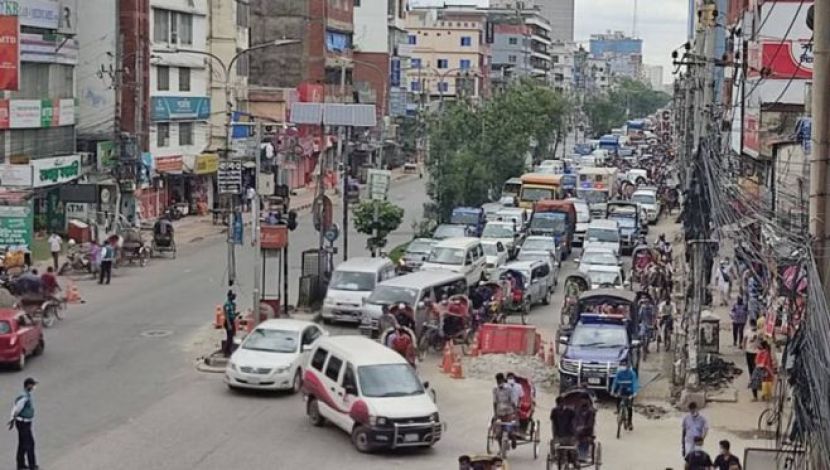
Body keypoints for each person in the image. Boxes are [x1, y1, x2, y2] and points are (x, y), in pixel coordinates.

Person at [8, 377, 38, 470]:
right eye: (32, 385)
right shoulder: (24, 397)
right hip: (23, 423)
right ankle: (32, 465)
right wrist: (12, 419)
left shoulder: (26, 395)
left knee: (22, 443)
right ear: (28, 385)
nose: (33, 387)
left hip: (24, 423)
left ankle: (20, 464)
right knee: (30, 444)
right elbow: (17, 409)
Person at [611, 358, 639, 430]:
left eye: (625, 365)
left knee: (629, 407)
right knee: (618, 400)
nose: (623, 367)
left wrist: (634, 392)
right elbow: (615, 382)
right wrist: (613, 391)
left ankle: (629, 422)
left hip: (629, 391)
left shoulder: (632, 373)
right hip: (621, 390)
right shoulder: (619, 373)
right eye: (622, 365)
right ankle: (619, 412)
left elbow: (634, 383)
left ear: (628, 366)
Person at [492, 373, 517, 449]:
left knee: (510, 430)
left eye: (499, 381)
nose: (498, 382)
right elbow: (495, 402)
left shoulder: (509, 388)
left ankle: (513, 439)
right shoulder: (495, 389)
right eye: (497, 381)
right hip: (499, 413)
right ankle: (501, 448)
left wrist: (514, 412)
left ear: (503, 380)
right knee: (498, 433)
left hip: (508, 412)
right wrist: (495, 413)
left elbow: (512, 401)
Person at [550, 396, 577, 463]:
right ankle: (555, 457)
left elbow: (574, 422)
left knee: (573, 450)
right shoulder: (554, 411)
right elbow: (553, 424)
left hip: (569, 435)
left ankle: (575, 461)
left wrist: (574, 434)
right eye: (559, 404)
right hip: (560, 435)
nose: (560, 405)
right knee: (556, 447)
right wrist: (554, 435)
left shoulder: (570, 411)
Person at [223, 290, 237, 357]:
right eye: (232, 295)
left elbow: (232, 314)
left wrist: (236, 314)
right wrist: (229, 324)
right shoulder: (227, 304)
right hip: (228, 321)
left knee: (232, 336)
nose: (233, 297)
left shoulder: (232, 304)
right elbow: (226, 315)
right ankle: (226, 351)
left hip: (232, 321)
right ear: (229, 296)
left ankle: (229, 350)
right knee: (229, 337)